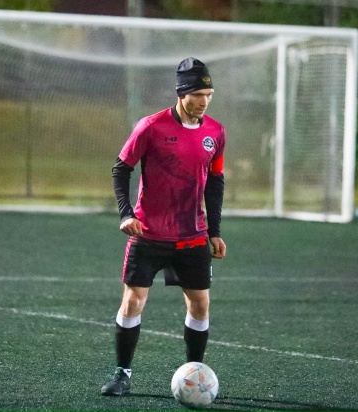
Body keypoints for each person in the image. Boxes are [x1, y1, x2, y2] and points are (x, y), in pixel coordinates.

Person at [101, 57, 227, 397]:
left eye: (209, 95)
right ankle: (122, 374)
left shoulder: (215, 132)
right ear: (182, 93)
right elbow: (121, 168)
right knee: (133, 301)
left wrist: (214, 231)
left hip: (193, 236)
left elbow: (215, 182)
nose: (204, 101)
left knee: (200, 305)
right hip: (149, 234)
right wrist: (126, 214)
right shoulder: (150, 127)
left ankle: (196, 375)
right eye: (198, 94)